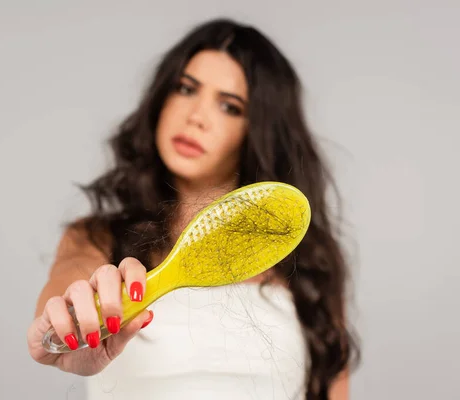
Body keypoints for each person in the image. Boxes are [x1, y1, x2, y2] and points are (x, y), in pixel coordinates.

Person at [27, 18, 359, 400]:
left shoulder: (310, 263)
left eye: (229, 106)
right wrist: (63, 324)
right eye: (186, 89)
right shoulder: (94, 240)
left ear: (259, 130)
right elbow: (56, 311)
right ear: (161, 98)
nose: (196, 117)